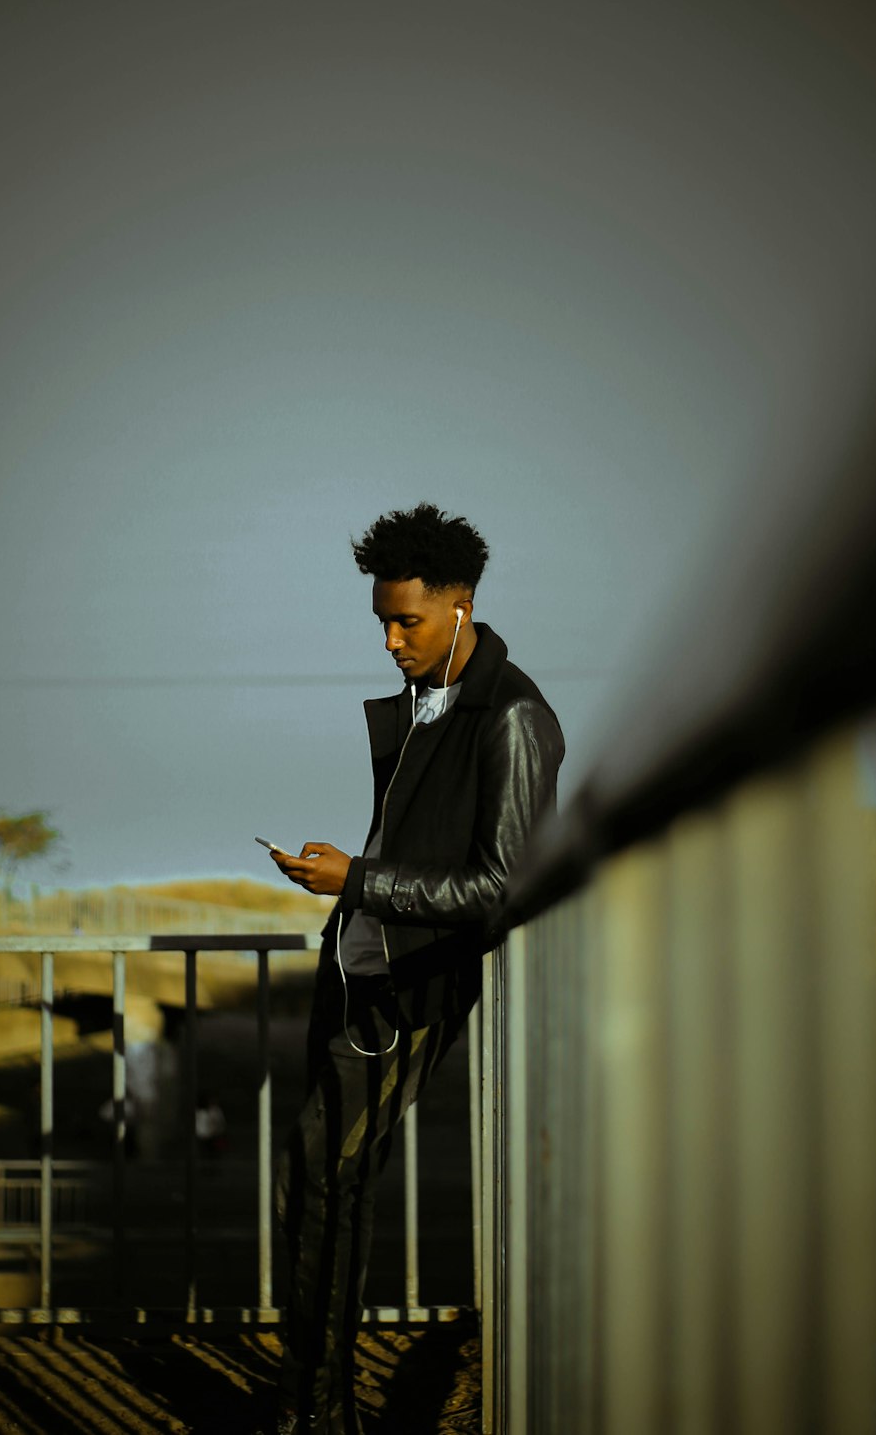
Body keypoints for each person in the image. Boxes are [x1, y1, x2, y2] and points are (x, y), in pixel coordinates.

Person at [263, 502, 564, 1434]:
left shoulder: (511, 719)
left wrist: (358, 879)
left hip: (411, 989)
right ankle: (316, 1405)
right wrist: (349, 889)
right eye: (382, 623)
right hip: (356, 972)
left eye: (409, 622)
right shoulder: (426, 703)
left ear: (461, 607)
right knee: (317, 1183)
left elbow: (501, 884)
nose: (391, 641)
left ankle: (318, 1412)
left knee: (323, 1177)